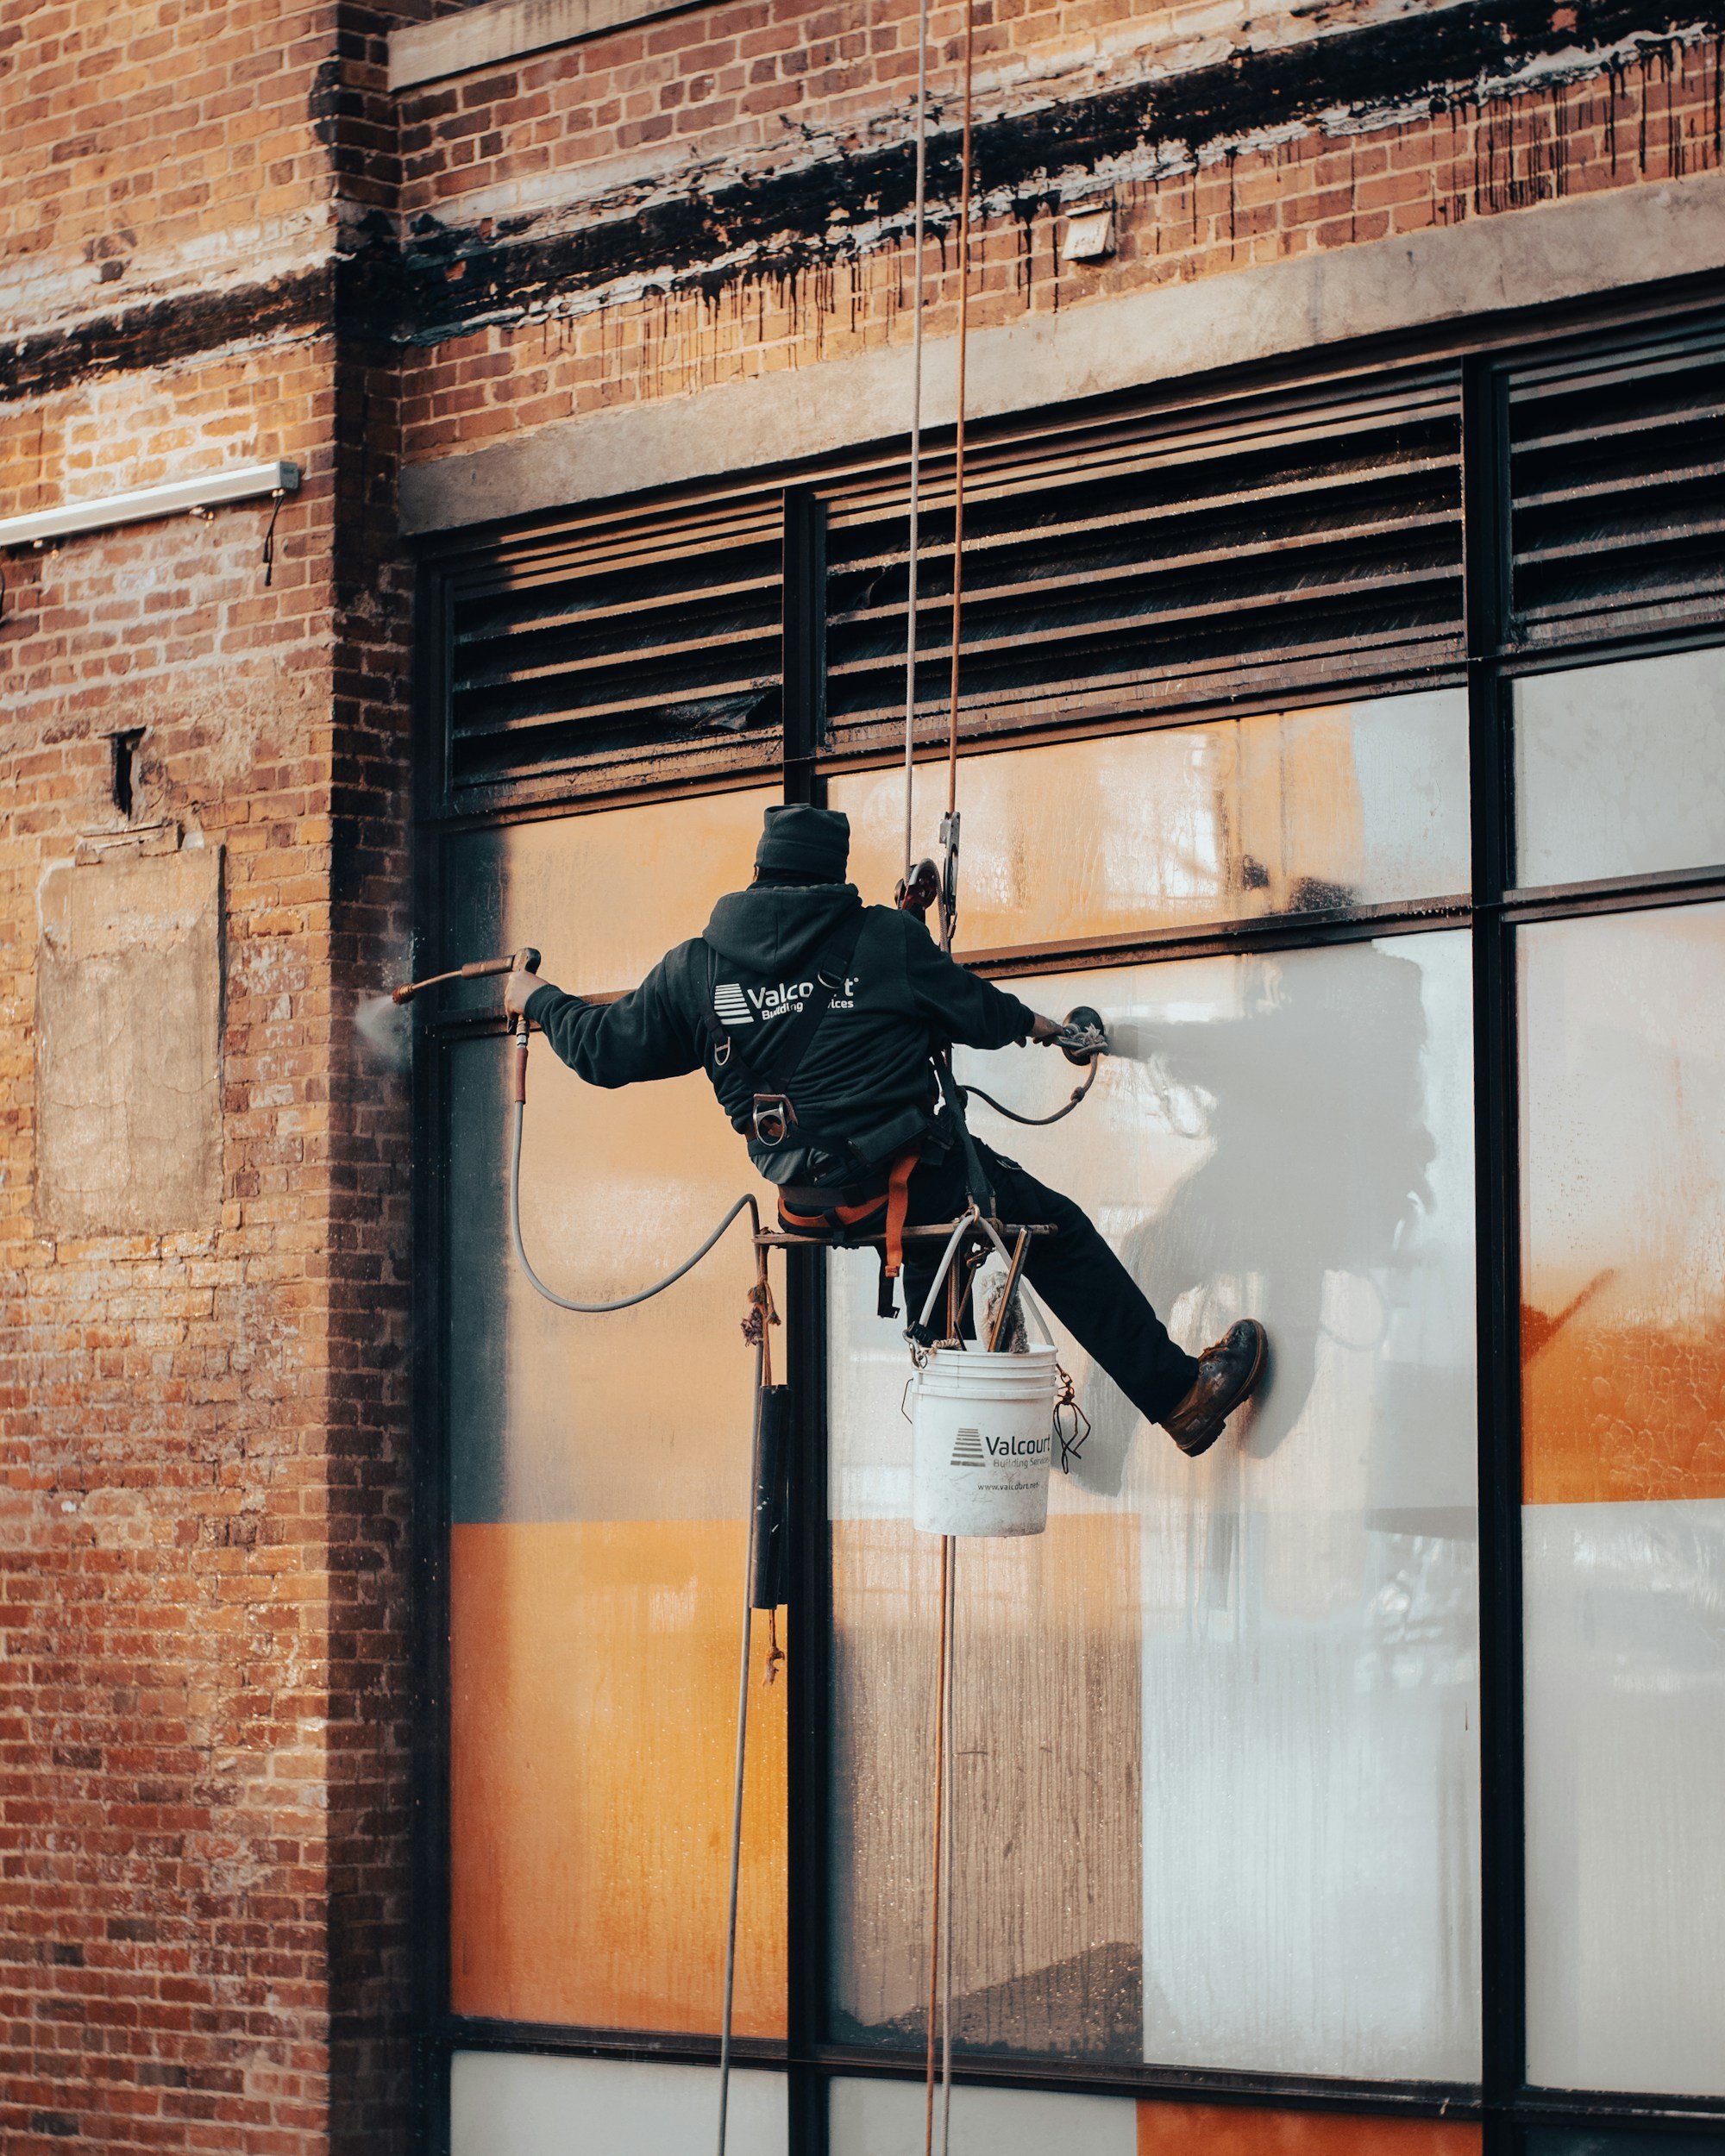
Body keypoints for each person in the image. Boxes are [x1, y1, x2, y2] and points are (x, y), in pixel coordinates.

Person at [505, 803, 1265, 1457]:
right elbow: (976, 1010)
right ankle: (1179, 1399)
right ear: (833, 878)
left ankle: (957, 1386)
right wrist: (1052, 1031)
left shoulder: (695, 971)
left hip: (805, 1204)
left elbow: (602, 1050)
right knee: (1050, 1227)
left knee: (952, 1229)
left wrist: (535, 996)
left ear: (760, 875)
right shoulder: (882, 943)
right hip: (906, 1179)